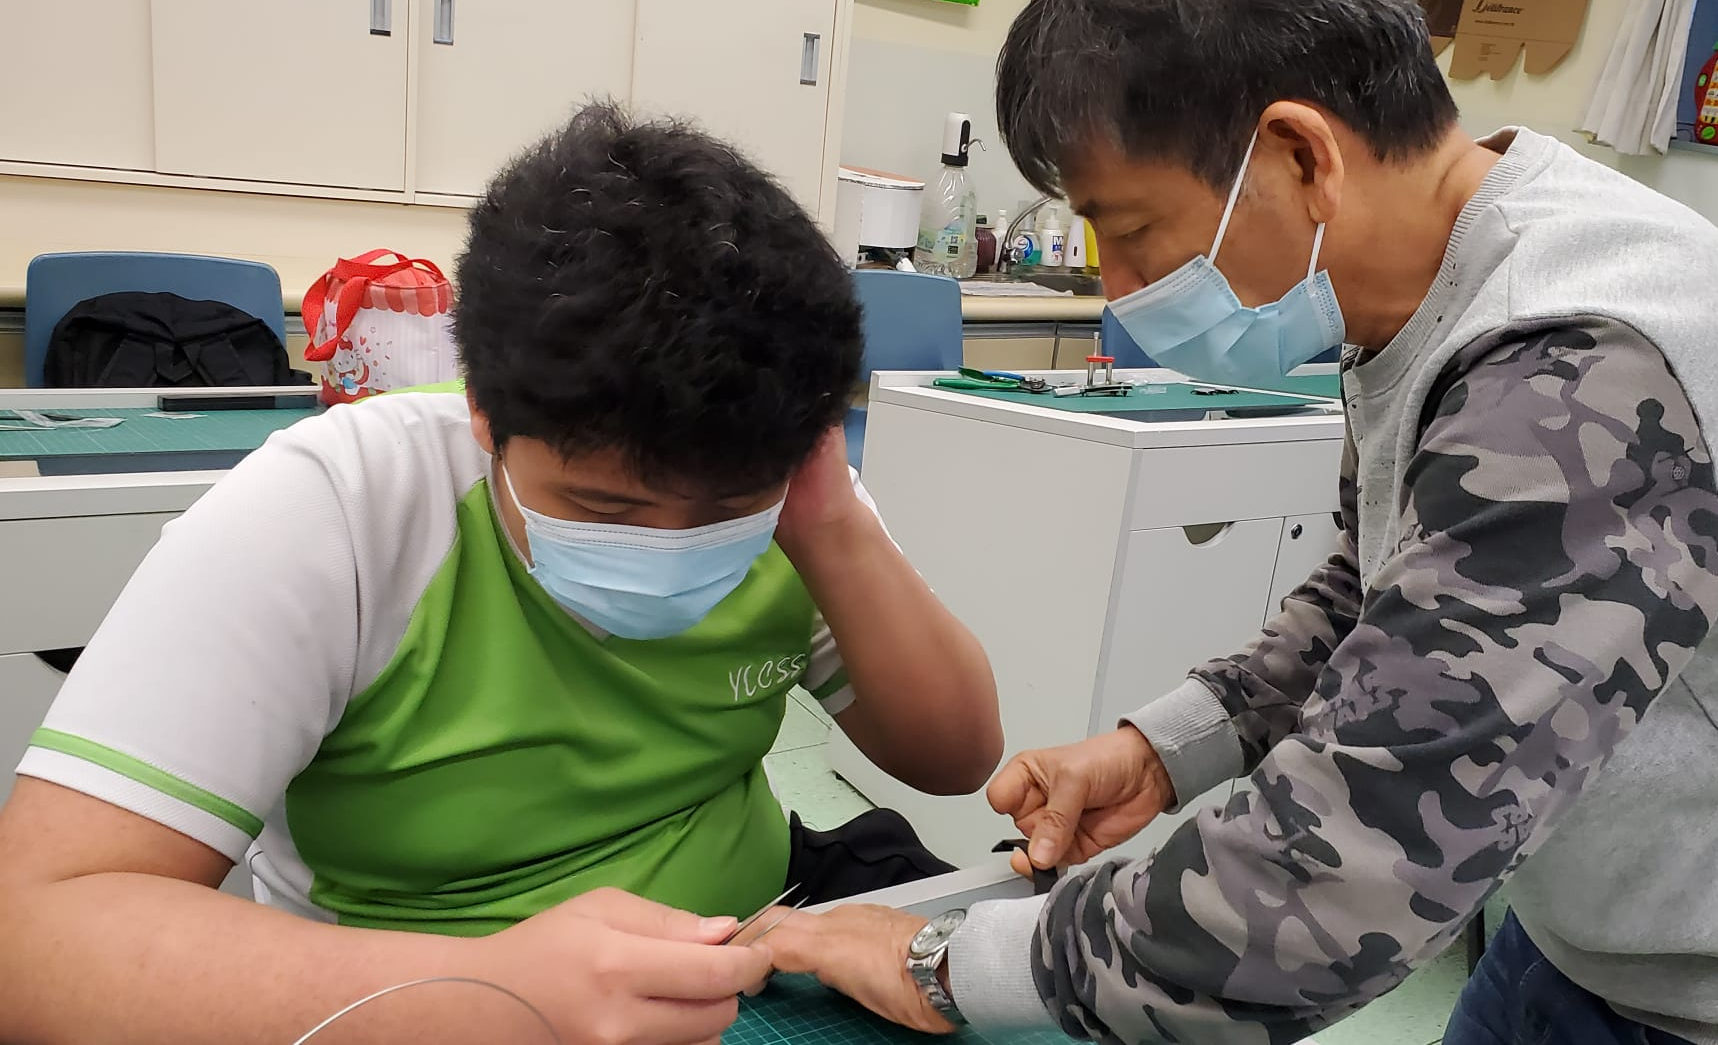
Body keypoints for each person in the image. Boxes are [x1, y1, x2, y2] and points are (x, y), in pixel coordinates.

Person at [757, 0, 1718, 1043]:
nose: (1122, 293)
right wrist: (1168, 747)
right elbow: (1388, 592)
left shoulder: (1576, 367)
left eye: (1134, 233)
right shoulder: (1445, 272)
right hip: (1603, 937)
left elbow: (1330, 884)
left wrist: (936, 959)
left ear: (1300, 155)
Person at [0, 104, 1002, 1045]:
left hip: (763, 941)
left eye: (723, 512)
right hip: (417, 1002)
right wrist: (485, 991)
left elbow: (956, 759)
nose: (675, 545)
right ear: (483, 409)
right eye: (607, 509)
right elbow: (32, 943)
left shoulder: (786, 484)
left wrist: (829, 525)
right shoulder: (340, 510)